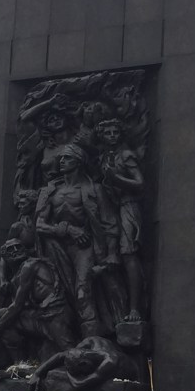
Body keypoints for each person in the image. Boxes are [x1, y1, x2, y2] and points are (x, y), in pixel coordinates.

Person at [35, 143, 120, 336]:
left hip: (85, 247)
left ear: (79, 162)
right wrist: (67, 229)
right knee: (61, 295)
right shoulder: (50, 191)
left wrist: (112, 253)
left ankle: (91, 341)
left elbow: (110, 224)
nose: (62, 161)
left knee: (83, 292)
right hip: (56, 248)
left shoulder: (95, 189)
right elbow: (39, 225)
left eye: (67, 158)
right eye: (61, 158)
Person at [0, 239, 76, 373]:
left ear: (26, 250)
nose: (15, 251)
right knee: (0, 316)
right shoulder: (17, 276)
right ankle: (20, 366)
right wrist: (4, 281)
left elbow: (17, 305)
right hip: (41, 316)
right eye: (10, 249)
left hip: (55, 313)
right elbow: (20, 307)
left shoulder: (30, 265)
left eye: (18, 247)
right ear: (6, 257)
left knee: (71, 352)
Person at [97, 118, 145, 321]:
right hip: (110, 207)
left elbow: (140, 183)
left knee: (128, 253)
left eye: (115, 132)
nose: (112, 136)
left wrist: (116, 179)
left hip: (128, 205)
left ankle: (134, 309)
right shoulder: (104, 157)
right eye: (107, 133)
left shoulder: (126, 155)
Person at [28, 335, 141, 391]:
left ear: (84, 364)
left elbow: (79, 384)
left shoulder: (110, 361)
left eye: (81, 372)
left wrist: (69, 373)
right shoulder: (91, 341)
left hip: (133, 372)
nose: (82, 374)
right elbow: (61, 355)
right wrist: (37, 373)